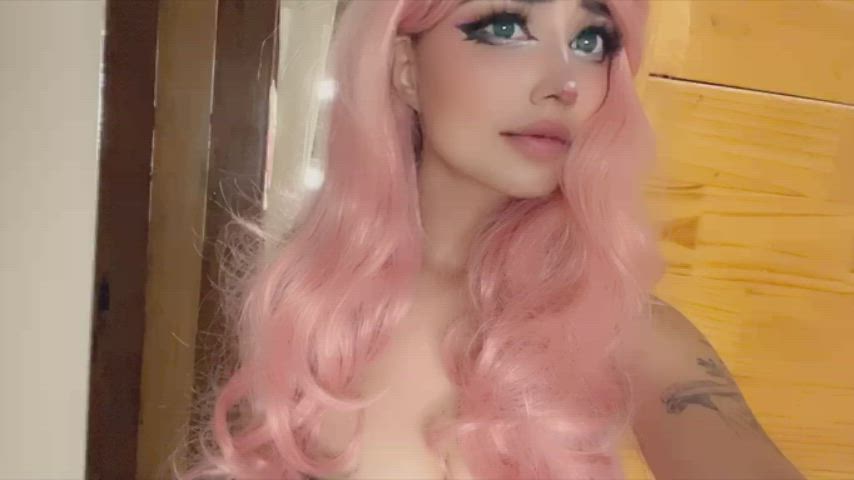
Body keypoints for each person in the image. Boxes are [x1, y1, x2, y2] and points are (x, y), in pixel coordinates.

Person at [177, 0, 806, 478]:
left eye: (590, 41)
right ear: (405, 69)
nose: (565, 83)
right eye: (506, 27)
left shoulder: (625, 332)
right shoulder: (311, 300)